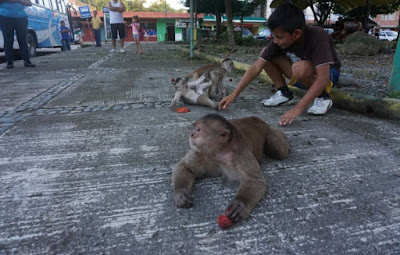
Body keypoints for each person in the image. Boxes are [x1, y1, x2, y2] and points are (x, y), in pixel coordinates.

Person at [219, 3, 341, 126]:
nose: (275, 40)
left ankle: (323, 98)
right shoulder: (278, 40)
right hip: (303, 76)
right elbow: (257, 66)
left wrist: (297, 108)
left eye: (279, 37)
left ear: (297, 34)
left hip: (328, 77)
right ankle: (284, 93)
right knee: (265, 55)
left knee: (299, 67)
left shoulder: (317, 35)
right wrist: (234, 95)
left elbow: (323, 77)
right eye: (274, 36)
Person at [0, 0, 35, 68]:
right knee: (8, 39)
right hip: (5, 17)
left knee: (22, 40)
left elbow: (29, 3)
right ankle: (9, 62)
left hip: (21, 17)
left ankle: (27, 61)